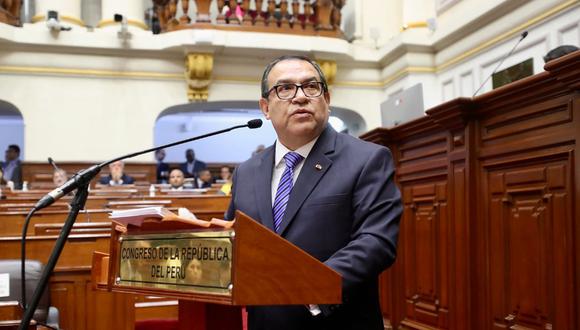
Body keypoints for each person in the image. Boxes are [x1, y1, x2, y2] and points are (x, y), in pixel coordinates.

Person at [225, 55, 402, 330]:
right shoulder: (246, 172)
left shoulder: (367, 159)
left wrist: (308, 286)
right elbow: (234, 241)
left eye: (311, 86)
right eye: (284, 89)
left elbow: (376, 241)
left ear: (327, 100)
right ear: (265, 107)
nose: (300, 97)